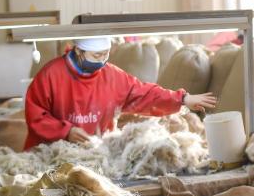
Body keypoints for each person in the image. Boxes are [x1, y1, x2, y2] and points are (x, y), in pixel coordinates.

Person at [24, 37, 217, 150]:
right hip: (53, 155)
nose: (101, 60)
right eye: (96, 55)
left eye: (105, 54)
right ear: (78, 51)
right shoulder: (51, 75)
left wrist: (182, 99)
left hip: (97, 156)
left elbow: (145, 94)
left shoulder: (113, 76)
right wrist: (66, 131)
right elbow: (36, 115)